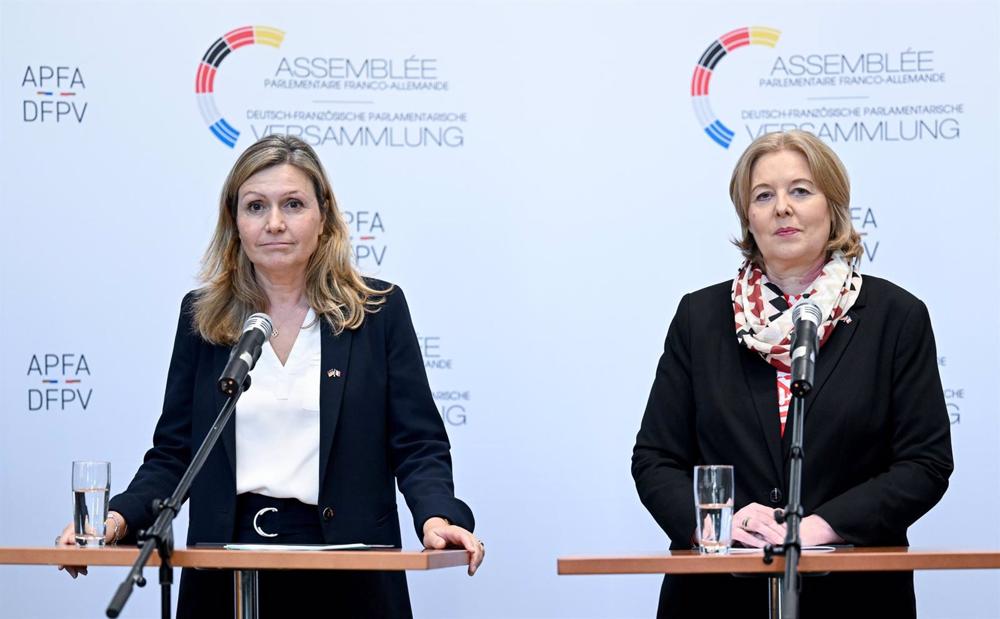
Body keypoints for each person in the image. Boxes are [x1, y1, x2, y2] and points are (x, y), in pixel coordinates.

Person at [58, 134, 484, 617]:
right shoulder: (202, 318)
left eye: (294, 204)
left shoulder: (376, 312)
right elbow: (178, 452)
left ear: (323, 218)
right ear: (235, 222)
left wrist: (436, 515)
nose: (275, 222)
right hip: (223, 566)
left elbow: (417, 443)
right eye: (256, 206)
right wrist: (116, 518)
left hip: (349, 571)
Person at [631, 130, 953, 618]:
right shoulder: (699, 318)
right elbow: (655, 459)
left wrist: (820, 527)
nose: (783, 207)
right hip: (717, 596)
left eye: (800, 190)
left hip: (855, 597)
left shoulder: (895, 316)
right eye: (764, 195)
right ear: (748, 218)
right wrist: (723, 523)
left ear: (833, 206)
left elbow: (924, 464)